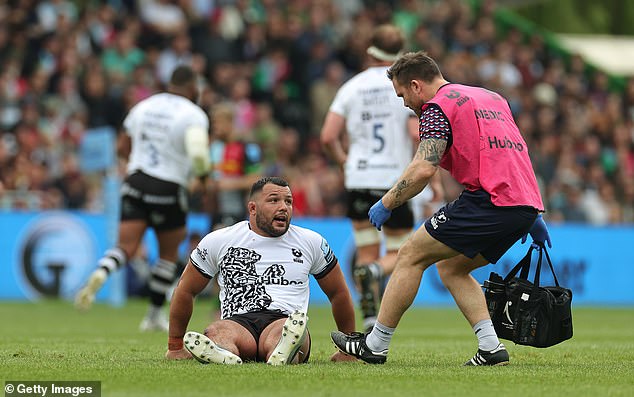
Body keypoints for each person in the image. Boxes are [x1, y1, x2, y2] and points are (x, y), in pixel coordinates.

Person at [331, 51, 551, 366]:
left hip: (488, 200)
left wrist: (387, 202)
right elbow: (515, 153)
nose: (405, 103)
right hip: (522, 203)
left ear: (416, 85)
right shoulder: (492, 98)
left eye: (402, 94)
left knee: (409, 255)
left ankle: (375, 345)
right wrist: (533, 214)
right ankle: (491, 348)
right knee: (452, 268)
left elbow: (423, 169)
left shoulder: (436, 108)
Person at [320, 24, 441, 332]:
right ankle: (376, 273)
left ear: (369, 49)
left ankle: (370, 317)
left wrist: (344, 161)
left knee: (365, 250)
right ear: (401, 52)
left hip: (359, 178)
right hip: (394, 180)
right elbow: (417, 135)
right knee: (399, 252)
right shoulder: (403, 86)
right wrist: (435, 181)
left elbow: (327, 136)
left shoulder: (351, 87)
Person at [75, 65, 211, 332]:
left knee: (125, 247)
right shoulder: (194, 114)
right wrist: (203, 178)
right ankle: (152, 315)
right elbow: (198, 153)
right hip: (168, 186)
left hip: (135, 181)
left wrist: (134, 163)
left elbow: (122, 146)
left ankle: (101, 271)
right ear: (193, 87)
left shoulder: (144, 106)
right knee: (168, 255)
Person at [165, 176, 356, 365]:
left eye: (288, 201)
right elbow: (186, 289)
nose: (284, 207)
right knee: (218, 331)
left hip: (284, 319)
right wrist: (175, 346)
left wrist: (347, 349)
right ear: (252, 208)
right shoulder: (220, 240)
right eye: (274, 200)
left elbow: (338, 292)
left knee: (284, 332)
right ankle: (224, 351)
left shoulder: (311, 242)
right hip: (238, 322)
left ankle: (283, 349)